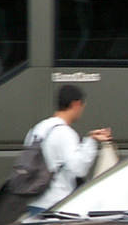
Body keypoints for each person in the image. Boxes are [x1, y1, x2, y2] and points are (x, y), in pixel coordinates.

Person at [23, 84, 112, 216]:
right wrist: (91, 142)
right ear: (76, 104)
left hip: (34, 202)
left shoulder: (37, 129)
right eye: (83, 106)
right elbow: (78, 168)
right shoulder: (65, 133)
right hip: (56, 205)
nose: (82, 111)